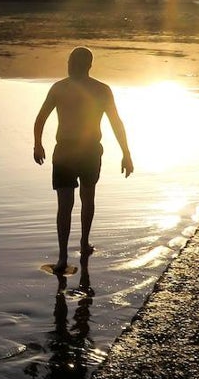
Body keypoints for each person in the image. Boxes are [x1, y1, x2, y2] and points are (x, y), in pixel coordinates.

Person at [33, 47, 133, 274]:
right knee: (85, 198)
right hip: (85, 151)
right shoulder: (100, 89)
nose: (69, 64)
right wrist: (126, 153)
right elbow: (116, 123)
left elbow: (40, 119)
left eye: (70, 61)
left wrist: (38, 144)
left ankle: (63, 256)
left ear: (77, 64)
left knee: (66, 205)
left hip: (70, 150)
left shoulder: (61, 88)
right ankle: (82, 245)